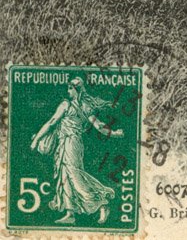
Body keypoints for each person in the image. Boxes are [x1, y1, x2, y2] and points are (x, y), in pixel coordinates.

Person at [30, 77, 123, 225]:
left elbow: (52, 122)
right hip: (68, 143)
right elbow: (99, 126)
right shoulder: (86, 107)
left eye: (70, 88)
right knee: (65, 175)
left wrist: (36, 140)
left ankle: (101, 202)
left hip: (70, 143)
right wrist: (115, 133)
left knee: (74, 175)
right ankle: (70, 213)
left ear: (77, 90)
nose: (68, 91)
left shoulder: (66, 105)